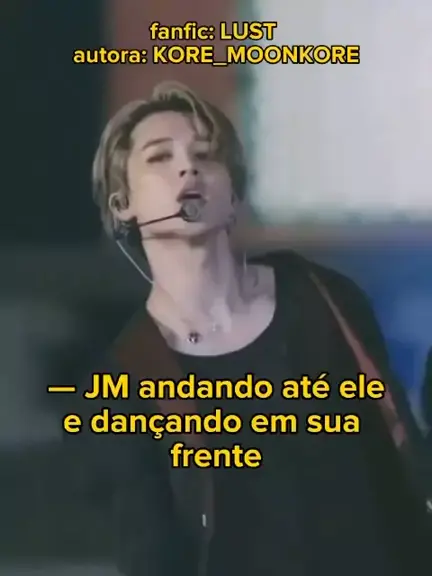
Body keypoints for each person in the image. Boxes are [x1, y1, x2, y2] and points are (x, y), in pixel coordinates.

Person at [72, 82, 431, 576]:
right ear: (122, 206)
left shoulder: (324, 297)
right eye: (160, 157)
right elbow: (152, 557)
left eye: (205, 154)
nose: (188, 167)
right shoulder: (127, 379)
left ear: (232, 194)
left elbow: (402, 461)